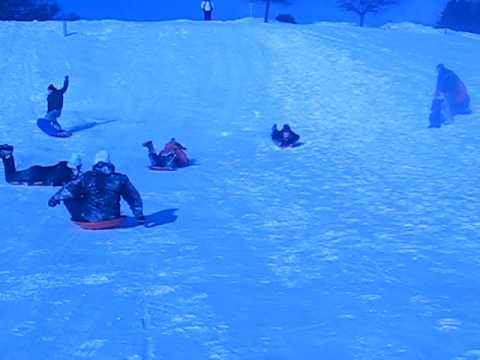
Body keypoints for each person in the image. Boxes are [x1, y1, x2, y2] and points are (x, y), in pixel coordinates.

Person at [48, 150, 144, 223]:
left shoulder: (86, 177)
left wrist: (54, 198)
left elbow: (68, 189)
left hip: (89, 217)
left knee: (69, 196)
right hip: (112, 216)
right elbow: (133, 197)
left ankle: (81, 215)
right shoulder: (120, 179)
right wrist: (139, 215)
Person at [0, 144, 82, 185]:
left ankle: (7, 155)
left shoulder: (65, 164)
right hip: (35, 175)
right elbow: (52, 181)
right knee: (10, 178)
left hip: (37, 171)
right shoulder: (65, 175)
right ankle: (6, 155)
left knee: (12, 176)